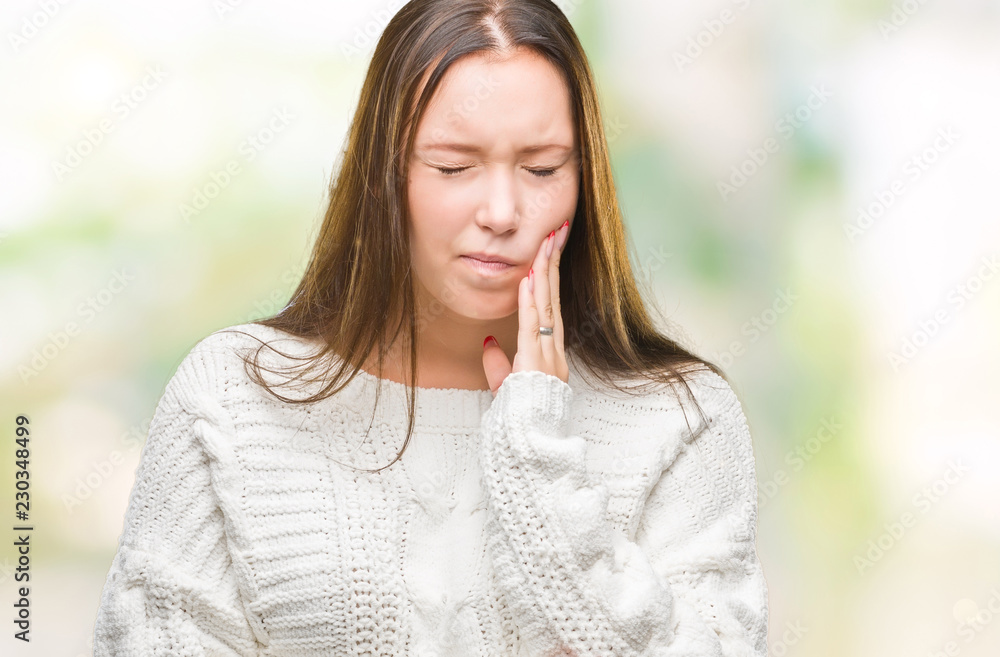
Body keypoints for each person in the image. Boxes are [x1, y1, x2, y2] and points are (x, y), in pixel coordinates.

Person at [92, 0, 768, 655]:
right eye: (453, 167)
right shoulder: (234, 396)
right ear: (383, 176)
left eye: (542, 168)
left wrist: (535, 455)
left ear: (584, 179)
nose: (502, 211)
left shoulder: (682, 417)